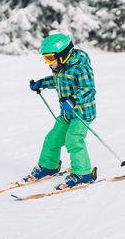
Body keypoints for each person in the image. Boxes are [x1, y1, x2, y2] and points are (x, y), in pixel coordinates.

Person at [29, 33, 97, 188]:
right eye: (45, 58)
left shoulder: (81, 68)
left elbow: (89, 89)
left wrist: (73, 99)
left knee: (74, 139)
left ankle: (84, 172)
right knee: (53, 138)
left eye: (50, 58)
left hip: (82, 114)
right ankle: (49, 166)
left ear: (63, 55)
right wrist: (41, 83)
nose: (48, 63)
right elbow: (57, 80)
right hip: (67, 114)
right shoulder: (61, 68)